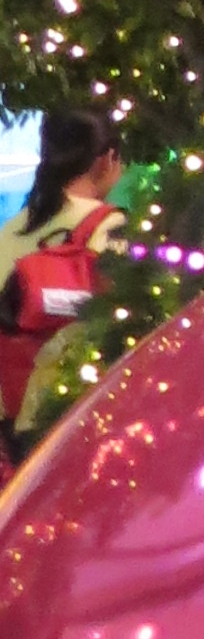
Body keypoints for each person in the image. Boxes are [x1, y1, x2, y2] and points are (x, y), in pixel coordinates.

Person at [0, 117, 125, 456]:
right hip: (69, 415)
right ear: (107, 160)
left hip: (10, 416)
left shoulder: (12, 229)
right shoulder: (110, 226)